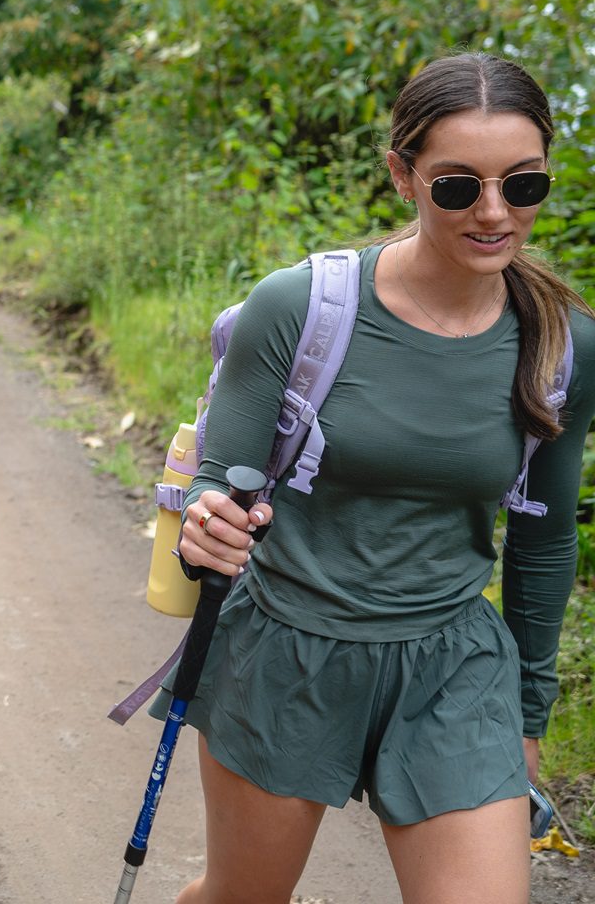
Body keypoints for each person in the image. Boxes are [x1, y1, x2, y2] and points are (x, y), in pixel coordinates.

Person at [172, 53, 595, 904]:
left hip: (453, 667)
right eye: (456, 187)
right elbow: (218, 490)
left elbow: (544, 542)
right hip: (288, 647)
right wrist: (205, 525)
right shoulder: (298, 308)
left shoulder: (564, 344)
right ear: (402, 175)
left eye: (523, 185)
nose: (493, 212)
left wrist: (527, 714)